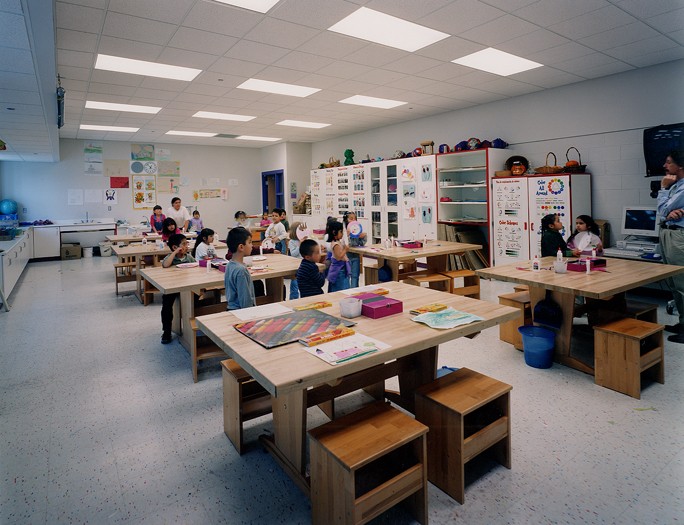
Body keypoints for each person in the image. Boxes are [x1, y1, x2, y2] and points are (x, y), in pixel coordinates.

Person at [657, 150, 684, 343]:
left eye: (668, 162)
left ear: (680, 166)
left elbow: (663, 210)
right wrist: (667, 213)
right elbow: (665, 213)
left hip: (677, 236)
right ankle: (682, 323)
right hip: (668, 232)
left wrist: (663, 188)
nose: (665, 166)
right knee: (673, 282)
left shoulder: (678, 188)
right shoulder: (677, 186)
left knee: (682, 283)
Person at [160, 233, 195, 344]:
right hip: (173, 286)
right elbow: (165, 265)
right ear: (175, 247)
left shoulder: (188, 257)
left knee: (197, 300)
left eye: (186, 243)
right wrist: (174, 253)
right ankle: (166, 331)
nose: (186, 246)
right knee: (166, 306)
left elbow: (196, 266)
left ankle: (193, 328)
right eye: (184, 244)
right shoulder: (171, 257)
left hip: (187, 286)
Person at [224, 227, 256, 310]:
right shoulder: (241, 270)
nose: (252, 245)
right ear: (241, 247)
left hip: (231, 308)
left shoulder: (230, 265)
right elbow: (245, 300)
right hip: (241, 312)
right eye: (250, 242)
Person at [343, 211, 367, 288]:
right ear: (346, 220)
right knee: (347, 276)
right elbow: (344, 244)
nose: (353, 220)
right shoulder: (343, 231)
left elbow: (361, 243)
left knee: (355, 275)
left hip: (355, 256)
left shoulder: (357, 229)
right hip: (346, 256)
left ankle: (355, 292)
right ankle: (347, 291)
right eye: (351, 219)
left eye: (355, 219)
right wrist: (347, 235)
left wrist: (363, 237)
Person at [326, 220, 350, 292]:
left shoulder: (338, 242)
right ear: (334, 232)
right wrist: (345, 250)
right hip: (339, 270)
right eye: (341, 232)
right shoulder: (335, 244)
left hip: (342, 268)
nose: (342, 234)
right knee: (340, 288)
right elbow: (339, 257)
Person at [287, 222, 305, 300]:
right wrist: (300, 245)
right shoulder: (292, 242)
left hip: (304, 265)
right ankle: (293, 300)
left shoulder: (304, 240)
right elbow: (293, 254)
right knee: (295, 285)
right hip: (296, 265)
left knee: (303, 284)